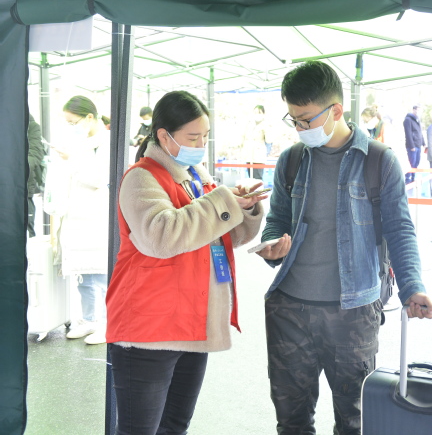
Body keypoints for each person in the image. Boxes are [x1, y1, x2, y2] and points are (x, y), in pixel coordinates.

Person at [255, 61, 432, 435]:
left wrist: (413, 287)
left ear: (336, 110)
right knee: (291, 422)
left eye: (306, 119)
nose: (300, 128)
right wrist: (273, 244)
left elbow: (400, 229)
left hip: (353, 312)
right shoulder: (291, 160)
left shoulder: (378, 160)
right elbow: (278, 218)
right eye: (293, 120)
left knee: (354, 421)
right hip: (290, 311)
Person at [106, 90, 267, 434]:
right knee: (139, 429)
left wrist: (245, 208)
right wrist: (221, 202)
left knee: (175, 426)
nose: (201, 144)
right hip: (149, 329)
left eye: (205, 136)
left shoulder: (196, 176)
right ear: (164, 136)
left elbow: (221, 236)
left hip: (192, 321)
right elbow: (161, 237)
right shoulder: (141, 177)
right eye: (193, 137)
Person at [49, 96, 111, 345]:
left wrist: (71, 160)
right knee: (83, 273)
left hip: (97, 215)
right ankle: (88, 320)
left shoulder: (106, 142)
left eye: (73, 122)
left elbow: (99, 179)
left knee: (102, 272)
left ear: (89, 117)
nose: (71, 127)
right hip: (77, 215)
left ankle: (107, 323)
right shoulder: (82, 143)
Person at [27, 113, 46, 238]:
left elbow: (35, 154)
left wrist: (15, 167)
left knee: (25, 228)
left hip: (23, 183)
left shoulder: (31, 126)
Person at [244, 104, 268, 179]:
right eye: (255, 112)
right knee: (251, 178)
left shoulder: (266, 125)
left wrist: (265, 128)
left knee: (257, 179)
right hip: (249, 156)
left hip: (258, 157)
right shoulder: (249, 124)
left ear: (263, 114)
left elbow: (269, 140)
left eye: (259, 112)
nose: (257, 114)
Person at [403, 105, 425, 184]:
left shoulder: (417, 120)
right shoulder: (408, 120)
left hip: (418, 145)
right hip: (412, 146)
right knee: (411, 163)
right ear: (413, 110)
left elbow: (420, 133)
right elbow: (408, 134)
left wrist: (424, 143)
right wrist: (412, 146)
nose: (419, 112)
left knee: (416, 162)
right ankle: (408, 179)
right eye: (418, 110)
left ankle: (413, 177)